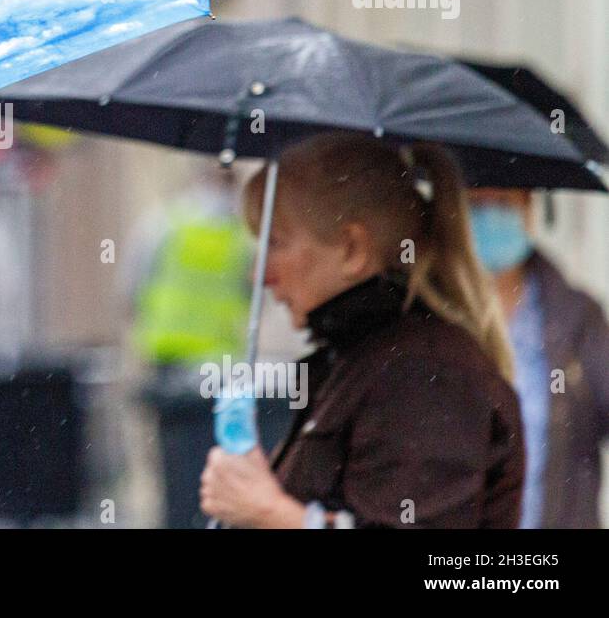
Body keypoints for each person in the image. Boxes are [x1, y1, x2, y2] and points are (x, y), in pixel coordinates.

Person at [199, 132, 524, 528]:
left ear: (352, 249)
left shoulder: (423, 373)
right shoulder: (361, 360)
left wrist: (269, 512)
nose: (259, 275)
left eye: (276, 243)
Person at [468, 187, 609, 528]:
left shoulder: (577, 317)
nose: (490, 217)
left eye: (503, 203)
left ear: (529, 209)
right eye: (475, 205)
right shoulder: (431, 319)